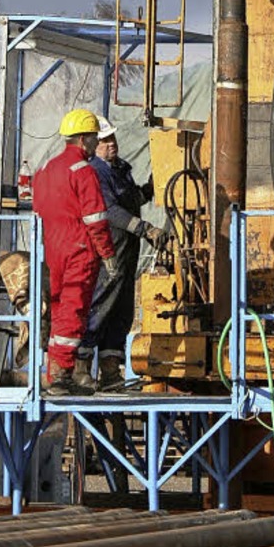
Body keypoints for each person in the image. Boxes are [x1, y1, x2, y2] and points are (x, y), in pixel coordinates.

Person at [32, 109, 117, 395]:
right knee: (74, 310)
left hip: (51, 250)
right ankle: (59, 377)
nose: (96, 143)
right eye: (94, 138)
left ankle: (56, 371)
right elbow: (96, 218)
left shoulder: (45, 170)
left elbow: (39, 210)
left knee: (57, 311)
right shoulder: (84, 171)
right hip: (79, 251)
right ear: (83, 139)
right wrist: (108, 254)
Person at [76, 118, 165, 389]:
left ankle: (111, 371)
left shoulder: (119, 169)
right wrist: (145, 228)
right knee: (100, 306)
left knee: (121, 310)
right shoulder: (95, 173)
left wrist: (152, 187)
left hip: (126, 252)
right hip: (108, 252)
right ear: (94, 144)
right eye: (104, 140)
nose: (111, 144)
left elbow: (131, 200)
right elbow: (110, 210)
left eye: (112, 138)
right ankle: (81, 369)